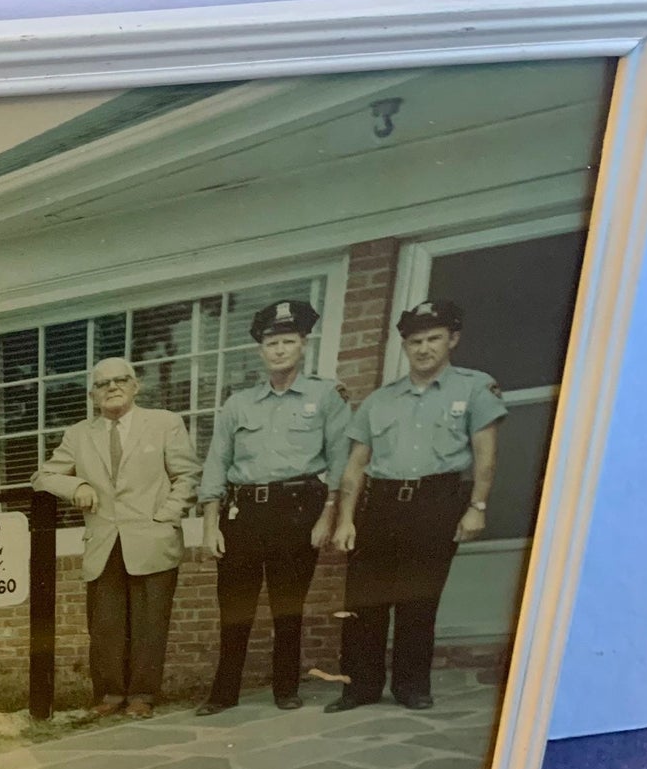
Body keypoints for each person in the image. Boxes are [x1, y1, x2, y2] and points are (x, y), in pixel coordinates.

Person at [328, 299, 506, 713]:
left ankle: (411, 686)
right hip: (382, 502)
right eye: (415, 342)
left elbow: (486, 454)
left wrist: (477, 505)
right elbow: (355, 466)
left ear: (452, 340)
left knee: (418, 598)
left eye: (433, 339)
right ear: (404, 346)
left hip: (437, 500)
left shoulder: (475, 388)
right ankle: (359, 687)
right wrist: (346, 519)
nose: (424, 348)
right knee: (363, 599)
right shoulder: (380, 400)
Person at [196, 298, 351, 715]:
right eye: (271, 343)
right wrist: (210, 526)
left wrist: (328, 516)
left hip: (299, 510)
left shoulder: (325, 396)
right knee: (234, 608)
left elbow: (340, 460)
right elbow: (217, 465)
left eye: (288, 341)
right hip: (243, 514)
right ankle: (223, 693)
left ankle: (286, 688)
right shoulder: (238, 404)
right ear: (260, 350)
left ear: (303, 344)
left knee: (288, 606)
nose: (279, 350)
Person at [33, 357, 196, 720]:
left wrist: (165, 516)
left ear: (136, 386)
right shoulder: (79, 434)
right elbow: (43, 476)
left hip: (152, 539)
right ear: (93, 395)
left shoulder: (165, 424)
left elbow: (187, 476)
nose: (112, 387)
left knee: (150, 623)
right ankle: (108, 694)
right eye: (102, 383)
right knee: (106, 625)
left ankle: (142, 695)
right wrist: (77, 484)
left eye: (121, 380)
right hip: (104, 541)